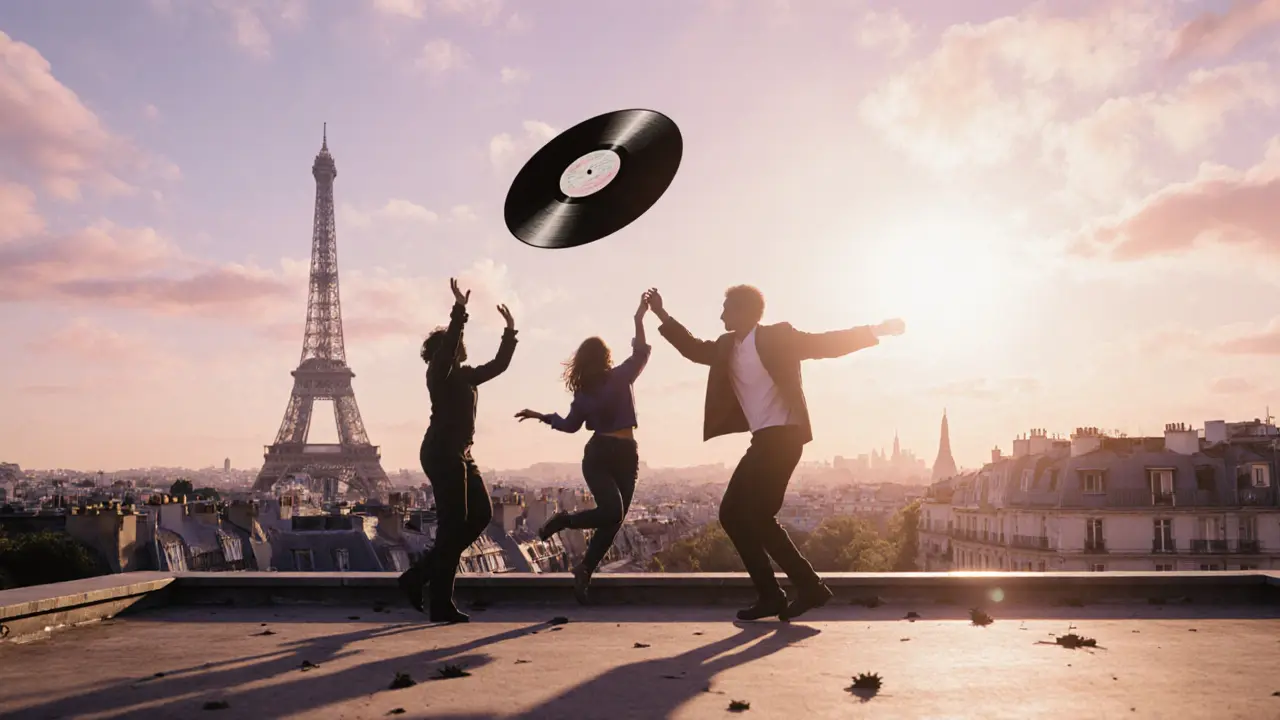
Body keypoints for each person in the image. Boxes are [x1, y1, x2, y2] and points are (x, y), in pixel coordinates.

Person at [643, 285, 904, 621]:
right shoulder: (726, 346)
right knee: (749, 517)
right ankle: (800, 589)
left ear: (744, 312)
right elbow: (693, 349)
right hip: (765, 440)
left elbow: (825, 344)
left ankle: (781, 593)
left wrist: (876, 330)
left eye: (726, 309)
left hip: (784, 437)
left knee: (738, 515)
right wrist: (662, 314)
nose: (721, 316)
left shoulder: (778, 336)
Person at [514, 293, 651, 604]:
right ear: (605, 356)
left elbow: (569, 426)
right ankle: (564, 521)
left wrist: (544, 417)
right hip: (608, 454)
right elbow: (641, 352)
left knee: (612, 519)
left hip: (613, 455)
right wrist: (639, 320)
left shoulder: (586, 393)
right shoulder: (618, 377)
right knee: (613, 513)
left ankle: (585, 569)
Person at [397, 278, 518, 623]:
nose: (460, 344)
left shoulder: (465, 376)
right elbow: (449, 347)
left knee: (480, 514)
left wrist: (510, 332)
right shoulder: (440, 373)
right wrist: (459, 313)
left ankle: (418, 577)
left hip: (461, 452)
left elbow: (498, 365)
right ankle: (440, 603)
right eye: (454, 342)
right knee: (452, 527)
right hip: (442, 451)